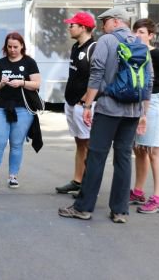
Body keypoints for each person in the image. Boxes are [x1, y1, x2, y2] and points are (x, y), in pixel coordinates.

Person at [59, 7, 152, 223]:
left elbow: (97, 73)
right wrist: (143, 113)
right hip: (133, 111)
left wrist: (88, 105)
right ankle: (119, 211)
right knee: (123, 158)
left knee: (96, 156)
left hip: (109, 108)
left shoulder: (107, 42)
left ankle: (83, 207)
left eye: (105, 22)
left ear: (115, 21)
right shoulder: (140, 43)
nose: (102, 27)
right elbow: (148, 80)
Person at [130, 18, 159, 214]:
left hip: (156, 104)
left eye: (141, 32)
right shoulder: (133, 53)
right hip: (137, 105)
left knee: (155, 151)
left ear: (151, 35)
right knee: (140, 149)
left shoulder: (157, 55)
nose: (137, 35)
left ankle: (158, 199)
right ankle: (138, 191)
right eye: (135, 32)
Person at [0, 32, 41, 189]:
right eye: (9, 47)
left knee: (17, 143)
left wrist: (22, 82)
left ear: (22, 46)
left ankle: (13, 175)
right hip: (2, 106)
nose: (12, 50)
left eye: (15, 47)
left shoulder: (29, 62)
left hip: (23, 108)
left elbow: (36, 83)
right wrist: (2, 84)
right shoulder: (1, 63)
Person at [56, 12, 96, 195]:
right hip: (70, 102)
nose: (69, 27)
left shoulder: (93, 48)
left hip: (84, 105)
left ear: (84, 27)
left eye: (72, 25)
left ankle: (88, 185)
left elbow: (99, 78)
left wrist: (85, 101)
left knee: (87, 143)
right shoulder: (75, 47)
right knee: (79, 142)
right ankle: (77, 180)